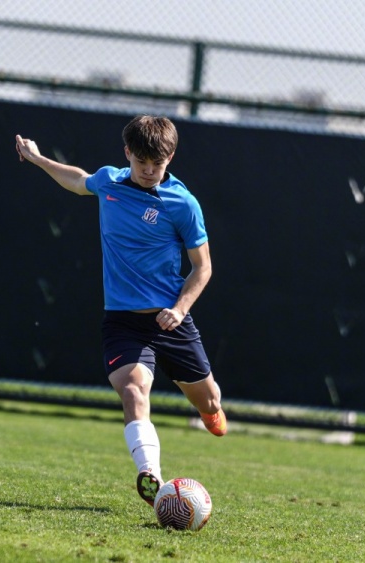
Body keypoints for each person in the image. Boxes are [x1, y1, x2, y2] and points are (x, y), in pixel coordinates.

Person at [15, 115, 225, 508]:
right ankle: (151, 474)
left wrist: (180, 309)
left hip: (170, 321)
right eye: (141, 162)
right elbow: (78, 180)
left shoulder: (183, 203)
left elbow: (203, 267)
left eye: (157, 164)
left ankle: (211, 411)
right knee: (133, 390)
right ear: (127, 152)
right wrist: (39, 159)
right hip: (124, 323)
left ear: (170, 158)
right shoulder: (109, 182)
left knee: (210, 402)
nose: (148, 171)